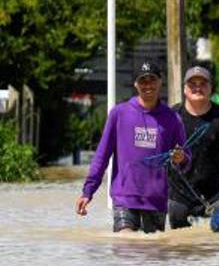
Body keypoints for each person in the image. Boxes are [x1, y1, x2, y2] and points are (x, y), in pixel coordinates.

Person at [75, 60, 190, 233]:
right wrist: (88, 191)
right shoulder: (119, 114)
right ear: (136, 84)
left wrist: (181, 158)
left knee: (153, 254)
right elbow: (102, 155)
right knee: (126, 243)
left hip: (156, 200)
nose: (148, 85)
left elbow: (187, 160)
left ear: (160, 82)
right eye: (143, 80)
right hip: (125, 198)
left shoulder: (173, 119)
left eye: (152, 79)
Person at [168, 64, 219, 228]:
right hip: (179, 196)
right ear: (185, 89)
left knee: (218, 244)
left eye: (203, 84)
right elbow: (157, 154)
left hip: (216, 196)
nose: (197, 88)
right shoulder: (171, 117)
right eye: (192, 84)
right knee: (178, 246)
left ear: (211, 88)